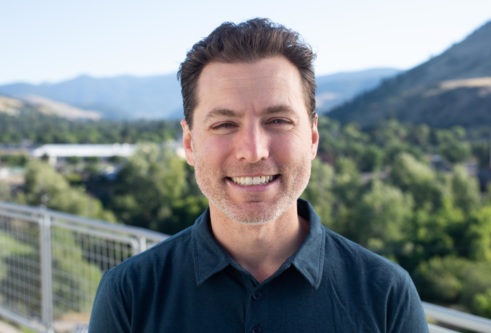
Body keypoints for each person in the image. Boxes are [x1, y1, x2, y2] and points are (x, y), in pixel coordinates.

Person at [88, 18, 429, 332]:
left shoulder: (387, 295)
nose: (253, 151)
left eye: (278, 120)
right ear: (190, 144)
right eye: (224, 124)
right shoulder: (129, 295)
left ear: (312, 137)